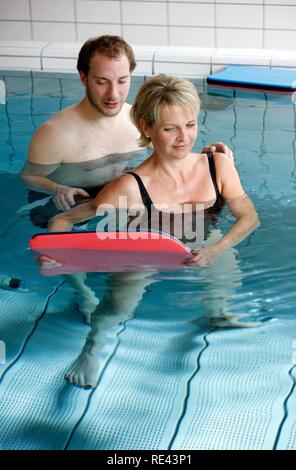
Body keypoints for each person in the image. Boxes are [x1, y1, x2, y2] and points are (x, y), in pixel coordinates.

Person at [44, 74, 260, 389]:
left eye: (189, 124)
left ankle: (217, 313)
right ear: (147, 128)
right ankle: (92, 347)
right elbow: (66, 220)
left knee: (226, 264)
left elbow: (249, 216)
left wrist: (217, 249)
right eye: (170, 128)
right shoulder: (129, 187)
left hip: (202, 237)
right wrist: (56, 253)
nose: (183, 138)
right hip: (144, 246)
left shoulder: (218, 166)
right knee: (118, 305)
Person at [20, 35, 232, 321]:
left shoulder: (138, 118)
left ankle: (215, 309)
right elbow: (29, 177)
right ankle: (82, 292)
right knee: (58, 237)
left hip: (124, 198)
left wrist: (207, 160)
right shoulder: (55, 133)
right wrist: (57, 187)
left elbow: (170, 150)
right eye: (102, 81)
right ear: (83, 78)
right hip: (73, 199)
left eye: (122, 80)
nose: (114, 94)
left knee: (199, 226)